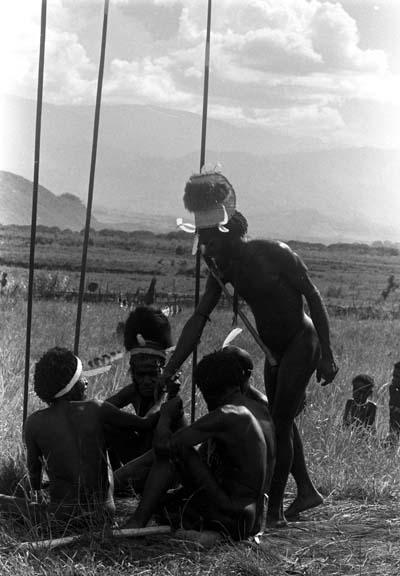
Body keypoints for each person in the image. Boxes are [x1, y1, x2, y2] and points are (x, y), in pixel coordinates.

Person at [157, 172, 338, 525]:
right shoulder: (221, 271)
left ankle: (272, 513)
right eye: (201, 239)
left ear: (226, 232)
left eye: (208, 238)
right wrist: (171, 366)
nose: (204, 247)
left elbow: (312, 296)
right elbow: (198, 319)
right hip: (274, 349)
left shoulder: (273, 254)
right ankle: (305, 490)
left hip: (303, 341)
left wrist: (327, 353)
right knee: (279, 419)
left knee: (281, 421)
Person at [115, 350, 275, 540]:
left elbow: (163, 447)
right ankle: (118, 486)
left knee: (174, 452)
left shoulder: (228, 415)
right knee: (165, 504)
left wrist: (166, 416)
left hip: (232, 517)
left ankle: (137, 521)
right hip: (249, 517)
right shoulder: (253, 410)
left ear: (208, 390)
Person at [0, 347, 162, 529]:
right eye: (81, 378)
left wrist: (36, 494)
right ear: (70, 386)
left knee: (4, 501)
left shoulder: (34, 423)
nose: (86, 382)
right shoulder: (97, 409)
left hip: (61, 515)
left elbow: (34, 473)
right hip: (103, 513)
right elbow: (146, 423)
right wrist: (162, 397)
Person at [106, 305, 185, 470]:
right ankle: (112, 476)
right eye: (141, 375)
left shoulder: (169, 395)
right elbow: (104, 408)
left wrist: (165, 395)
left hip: (164, 465)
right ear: (132, 372)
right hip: (139, 458)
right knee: (105, 424)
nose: (147, 381)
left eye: (152, 374)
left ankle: (122, 479)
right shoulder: (133, 391)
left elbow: (148, 422)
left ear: (163, 371)